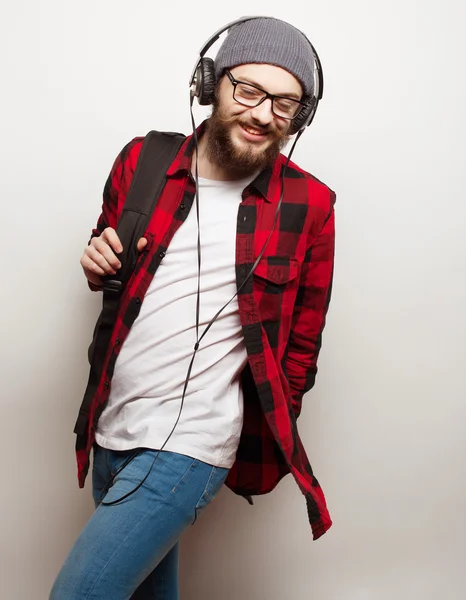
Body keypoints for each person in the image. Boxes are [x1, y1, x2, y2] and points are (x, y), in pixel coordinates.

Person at [50, 16, 336, 600]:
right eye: (248, 90)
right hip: (111, 427)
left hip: (191, 446)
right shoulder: (142, 161)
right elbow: (111, 256)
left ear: (299, 118)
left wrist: (264, 417)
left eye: (284, 104)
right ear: (211, 83)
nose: (262, 115)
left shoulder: (311, 204)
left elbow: (302, 344)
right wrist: (98, 259)